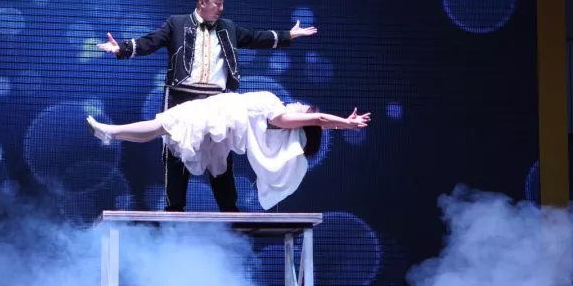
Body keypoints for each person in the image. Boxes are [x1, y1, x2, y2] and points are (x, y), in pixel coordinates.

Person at [97, 0, 318, 212]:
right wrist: (121, 48)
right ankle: (175, 209)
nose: (221, 8)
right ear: (202, 2)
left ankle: (230, 210)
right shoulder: (177, 24)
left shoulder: (228, 28)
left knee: (220, 155)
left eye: (223, 3)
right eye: (217, 3)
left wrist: (289, 35)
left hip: (216, 100)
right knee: (177, 150)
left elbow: (255, 37)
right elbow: (151, 41)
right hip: (182, 95)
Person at [86, 91, 370, 210]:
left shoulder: (280, 117)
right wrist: (341, 124)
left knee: (163, 124)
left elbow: (317, 120)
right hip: (220, 118)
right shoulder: (279, 113)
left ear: (300, 120)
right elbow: (317, 123)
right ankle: (112, 133)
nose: (299, 104)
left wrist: (345, 123)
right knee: (174, 134)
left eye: (304, 109)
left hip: (215, 115)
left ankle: (111, 132)